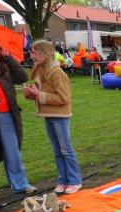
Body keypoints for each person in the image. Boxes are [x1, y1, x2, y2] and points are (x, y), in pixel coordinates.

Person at [23, 40, 82, 194]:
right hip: (48, 115)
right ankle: (63, 180)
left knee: (66, 150)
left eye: (34, 52)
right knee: (57, 151)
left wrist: (39, 95)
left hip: (60, 116)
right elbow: (39, 93)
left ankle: (75, 180)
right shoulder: (40, 70)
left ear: (44, 53)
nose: (32, 55)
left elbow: (63, 98)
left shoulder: (57, 72)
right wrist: (31, 95)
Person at [0, 39, 37, 194]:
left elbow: (22, 77)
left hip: (7, 116)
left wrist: (7, 57)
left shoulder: (4, 68)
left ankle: (20, 184)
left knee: (13, 151)